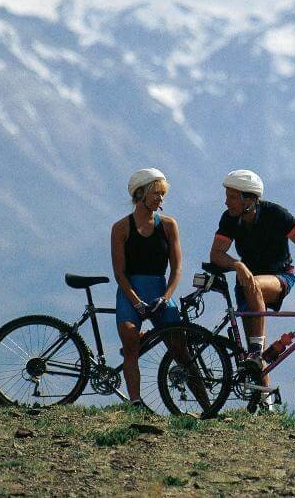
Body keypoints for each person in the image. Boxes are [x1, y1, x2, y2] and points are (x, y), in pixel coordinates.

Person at [209, 169, 295, 384]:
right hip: (245, 284)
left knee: (254, 341)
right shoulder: (230, 219)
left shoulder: (276, 215)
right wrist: (237, 265)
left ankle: (255, 350)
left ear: (249, 199)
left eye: (232, 197)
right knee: (257, 356)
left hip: (279, 276)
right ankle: (265, 402)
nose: (226, 202)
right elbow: (216, 253)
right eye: (227, 196)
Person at [110, 168, 182, 411]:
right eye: (155, 194)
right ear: (139, 194)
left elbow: (176, 270)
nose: (160, 200)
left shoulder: (169, 226)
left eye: (162, 195)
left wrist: (166, 297)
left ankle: (205, 405)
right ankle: (135, 402)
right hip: (130, 291)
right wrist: (136, 301)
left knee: (179, 346)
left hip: (160, 291)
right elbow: (119, 273)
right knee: (131, 341)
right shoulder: (120, 228)